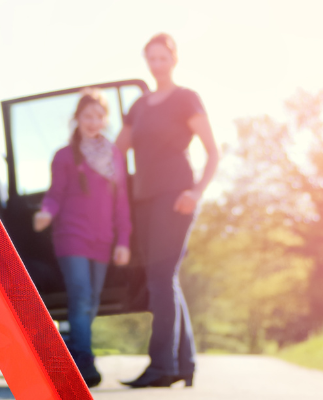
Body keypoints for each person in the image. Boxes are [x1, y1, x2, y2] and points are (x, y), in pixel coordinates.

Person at [116, 33, 221, 388]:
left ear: (173, 60)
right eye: (151, 58)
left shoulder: (186, 99)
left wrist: (195, 192)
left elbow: (213, 152)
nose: (157, 64)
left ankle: (161, 366)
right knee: (165, 280)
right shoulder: (140, 106)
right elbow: (117, 151)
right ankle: (183, 365)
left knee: (161, 279)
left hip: (175, 200)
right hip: (144, 203)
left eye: (162, 58)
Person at [33, 88, 132, 388]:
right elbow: (55, 194)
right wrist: (45, 212)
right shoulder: (64, 156)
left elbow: (121, 202)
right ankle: (84, 361)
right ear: (77, 118)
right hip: (71, 236)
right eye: (87, 116)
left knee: (91, 302)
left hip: (102, 240)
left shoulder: (114, 156)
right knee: (80, 295)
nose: (93, 121)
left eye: (98, 116)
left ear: (105, 120)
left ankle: (73, 352)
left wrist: (123, 240)